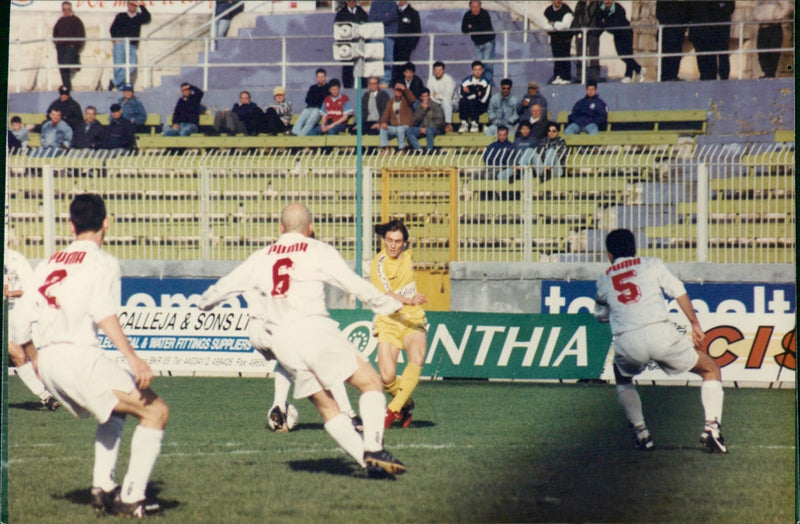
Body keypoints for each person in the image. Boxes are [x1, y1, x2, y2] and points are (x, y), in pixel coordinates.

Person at [198, 203, 407, 477]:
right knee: (371, 382)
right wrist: (386, 304)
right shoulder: (318, 250)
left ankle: (367, 463)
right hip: (314, 330)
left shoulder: (260, 257)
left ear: (280, 229)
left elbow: (218, 291)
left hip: (283, 344)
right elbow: (352, 283)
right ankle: (374, 448)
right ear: (310, 229)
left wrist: (204, 304)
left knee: (327, 408)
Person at [15, 193, 171, 516]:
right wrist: (133, 358)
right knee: (156, 412)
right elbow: (103, 311)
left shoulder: (46, 263)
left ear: (70, 225)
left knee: (115, 410)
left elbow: (18, 326)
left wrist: (38, 364)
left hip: (50, 362)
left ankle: (102, 487)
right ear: (106, 223)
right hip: (79, 359)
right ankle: (131, 498)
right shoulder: (103, 262)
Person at [593, 228, 727, 454]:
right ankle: (711, 430)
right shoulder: (651, 264)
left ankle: (642, 434)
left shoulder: (603, 279)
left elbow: (600, 316)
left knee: (621, 375)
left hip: (628, 341)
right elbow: (678, 291)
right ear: (635, 250)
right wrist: (694, 324)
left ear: (609, 255)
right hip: (661, 334)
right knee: (710, 369)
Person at [369, 220, 428, 429]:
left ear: (405, 243)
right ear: (383, 240)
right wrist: (409, 299)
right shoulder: (378, 264)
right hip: (389, 320)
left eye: (398, 241)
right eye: (389, 240)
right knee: (387, 377)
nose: (393, 245)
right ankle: (407, 405)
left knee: (418, 357)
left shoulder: (408, 256)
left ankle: (392, 411)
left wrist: (412, 305)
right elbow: (387, 293)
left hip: (412, 318)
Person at [4, 247, 60, 410]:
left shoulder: (16, 259)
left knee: (19, 355)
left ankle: (45, 397)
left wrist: (10, 293)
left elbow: (30, 289)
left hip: (11, 313)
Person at [596, 1, 645, 83]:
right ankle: (629, 75)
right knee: (622, 54)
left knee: (626, 54)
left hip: (625, 33)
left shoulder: (618, 8)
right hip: (617, 34)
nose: (608, 2)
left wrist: (605, 23)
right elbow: (599, 22)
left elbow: (616, 23)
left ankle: (638, 69)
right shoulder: (601, 9)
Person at [109, 1, 151, 91]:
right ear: (127, 5)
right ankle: (120, 89)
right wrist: (115, 39)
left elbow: (147, 18)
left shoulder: (139, 17)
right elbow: (112, 28)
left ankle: (114, 82)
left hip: (131, 45)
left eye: (134, 5)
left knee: (132, 66)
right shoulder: (121, 15)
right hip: (120, 43)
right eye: (130, 4)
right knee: (118, 67)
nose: (132, 6)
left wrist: (140, 5)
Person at [688, 1, 735, 80]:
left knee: (722, 55)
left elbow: (729, 8)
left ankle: (723, 77)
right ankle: (706, 77)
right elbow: (689, 10)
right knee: (703, 57)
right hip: (699, 31)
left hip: (719, 30)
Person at [334, 1, 368, 89]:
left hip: (360, 45)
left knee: (361, 68)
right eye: (349, 0)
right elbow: (336, 29)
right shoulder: (341, 14)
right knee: (347, 70)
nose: (351, 2)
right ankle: (347, 88)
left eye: (353, 0)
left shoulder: (362, 12)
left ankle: (363, 89)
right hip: (347, 46)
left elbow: (367, 27)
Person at [754, 1, 793, 78]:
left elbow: (786, 7)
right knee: (761, 51)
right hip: (762, 27)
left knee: (773, 51)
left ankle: (770, 74)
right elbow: (756, 9)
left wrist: (778, 17)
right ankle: (766, 73)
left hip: (774, 27)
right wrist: (757, 17)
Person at [52, 1, 85, 91]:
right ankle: (67, 88)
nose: (66, 11)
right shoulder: (60, 21)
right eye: (64, 10)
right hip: (61, 48)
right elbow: (55, 33)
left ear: (71, 9)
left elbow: (81, 35)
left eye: (68, 9)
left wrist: (74, 46)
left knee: (66, 62)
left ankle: (76, 60)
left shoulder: (76, 21)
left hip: (71, 47)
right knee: (62, 67)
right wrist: (57, 43)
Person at [461, 1, 496, 84]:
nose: (475, 9)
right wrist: (474, 27)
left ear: (480, 6)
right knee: (479, 64)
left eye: (477, 7)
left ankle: (488, 82)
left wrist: (471, 26)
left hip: (488, 42)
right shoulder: (467, 15)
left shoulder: (484, 14)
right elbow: (464, 29)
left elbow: (483, 28)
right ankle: (480, 82)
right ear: (470, 7)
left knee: (487, 63)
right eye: (473, 7)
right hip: (477, 43)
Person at [542, 1, 575, 85]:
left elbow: (565, 25)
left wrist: (553, 24)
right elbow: (544, 25)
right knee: (556, 57)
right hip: (554, 38)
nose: (558, 1)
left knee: (564, 57)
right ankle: (558, 76)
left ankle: (566, 78)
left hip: (565, 38)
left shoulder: (566, 10)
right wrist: (555, 27)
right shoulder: (548, 11)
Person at [379, 82, 416, 154]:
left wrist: (405, 90)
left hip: (406, 126)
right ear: (393, 91)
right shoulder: (390, 102)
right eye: (396, 90)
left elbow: (413, 99)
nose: (398, 92)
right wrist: (383, 123)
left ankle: (402, 149)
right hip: (395, 126)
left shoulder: (406, 100)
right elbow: (385, 115)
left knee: (400, 129)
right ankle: (385, 149)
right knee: (383, 129)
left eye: (400, 90)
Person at [655, 1, 688, 81]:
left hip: (678, 33)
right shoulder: (662, 2)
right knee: (666, 56)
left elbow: (686, 15)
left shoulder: (681, 3)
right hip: (667, 33)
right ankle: (665, 77)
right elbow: (659, 14)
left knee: (676, 55)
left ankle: (673, 76)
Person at [368, 0, 398, 88]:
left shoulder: (393, 3)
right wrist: (385, 16)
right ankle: (374, 81)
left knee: (388, 59)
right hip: (375, 34)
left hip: (388, 35)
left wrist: (377, 17)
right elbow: (371, 18)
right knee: (374, 58)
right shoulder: (374, 3)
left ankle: (385, 81)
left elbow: (391, 17)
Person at [457, 60, 492, 133]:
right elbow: (460, 95)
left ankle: (474, 123)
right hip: (467, 105)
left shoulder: (486, 83)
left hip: (481, 107)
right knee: (463, 101)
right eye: (475, 70)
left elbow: (484, 99)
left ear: (482, 70)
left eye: (479, 70)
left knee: (474, 101)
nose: (477, 72)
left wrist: (470, 93)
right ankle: (464, 123)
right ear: (472, 71)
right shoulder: (466, 81)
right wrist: (476, 93)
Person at [292, 69, 329, 136]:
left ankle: (300, 136)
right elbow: (307, 99)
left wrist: (315, 99)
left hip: (319, 109)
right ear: (316, 78)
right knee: (301, 119)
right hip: (309, 108)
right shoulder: (313, 88)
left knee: (310, 121)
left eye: (322, 77)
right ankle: (294, 133)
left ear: (325, 77)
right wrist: (317, 99)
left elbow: (324, 101)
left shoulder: (328, 88)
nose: (320, 79)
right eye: (319, 77)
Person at [406, 88, 445, 153]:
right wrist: (422, 110)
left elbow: (439, 121)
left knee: (429, 131)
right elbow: (415, 119)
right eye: (423, 96)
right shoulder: (419, 107)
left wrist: (427, 128)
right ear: (421, 97)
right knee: (409, 131)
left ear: (429, 96)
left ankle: (429, 150)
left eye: (426, 96)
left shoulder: (435, 106)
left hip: (434, 128)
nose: (425, 98)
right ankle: (418, 149)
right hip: (421, 128)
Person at [572, 0, 601, 83]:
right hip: (581, 33)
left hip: (593, 33)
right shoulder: (580, 3)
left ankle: (594, 78)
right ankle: (579, 77)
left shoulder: (598, 3)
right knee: (580, 55)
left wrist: (598, 30)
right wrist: (576, 30)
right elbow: (576, 17)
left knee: (594, 55)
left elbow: (604, 14)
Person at [393, 2, 421, 81]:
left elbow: (417, 31)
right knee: (393, 67)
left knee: (403, 66)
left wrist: (410, 46)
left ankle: (402, 83)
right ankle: (393, 83)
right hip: (393, 46)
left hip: (405, 47)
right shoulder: (393, 11)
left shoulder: (413, 13)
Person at [427, 61, 457, 133]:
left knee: (446, 102)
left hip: (452, 104)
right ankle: (430, 128)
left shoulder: (449, 79)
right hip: (437, 103)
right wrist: (436, 97)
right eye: (436, 70)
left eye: (440, 70)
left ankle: (448, 124)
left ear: (443, 70)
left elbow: (448, 97)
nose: (438, 72)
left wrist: (436, 95)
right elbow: (430, 95)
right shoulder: (430, 80)